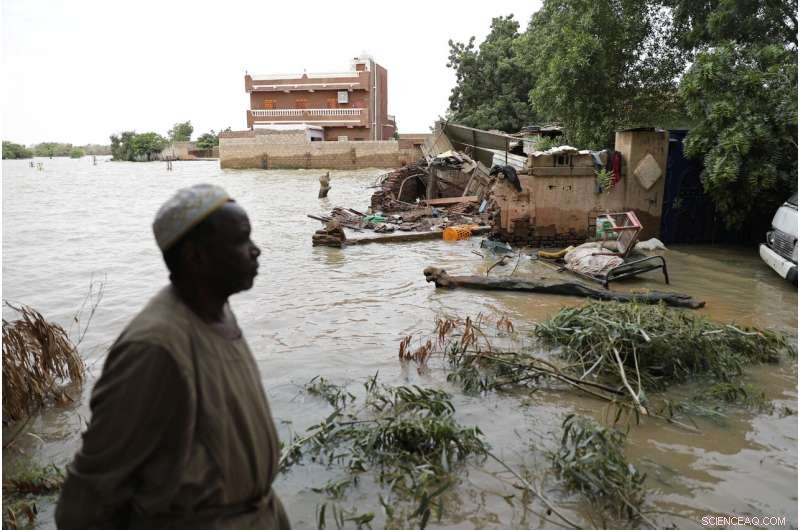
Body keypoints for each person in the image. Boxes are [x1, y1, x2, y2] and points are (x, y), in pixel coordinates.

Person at [56, 184, 290, 530]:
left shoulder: (217, 311)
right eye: (241, 240)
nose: (255, 251)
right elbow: (93, 490)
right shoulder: (154, 348)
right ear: (196, 257)